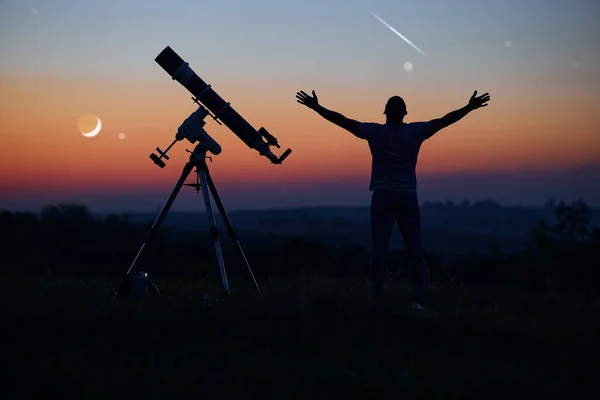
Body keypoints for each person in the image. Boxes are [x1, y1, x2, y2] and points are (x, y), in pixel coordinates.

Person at [296, 89, 491, 310]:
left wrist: (316, 107)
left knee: (379, 252)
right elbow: (444, 121)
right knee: (415, 252)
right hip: (408, 198)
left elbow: (344, 121)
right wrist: (469, 107)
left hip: (383, 197)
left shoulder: (376, 132)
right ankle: (418, 302)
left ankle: (378, 300)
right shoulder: (416, 131)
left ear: (385, 113)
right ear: (405, 114)